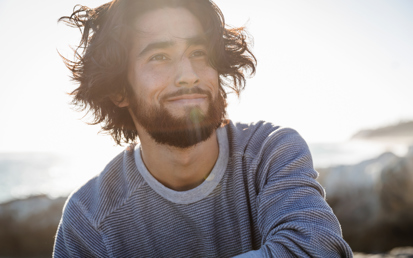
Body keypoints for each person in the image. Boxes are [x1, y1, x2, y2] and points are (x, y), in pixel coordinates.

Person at [54, 0, 353, 257]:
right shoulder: (89, 217)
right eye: (160, 57)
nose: (189, 75)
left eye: (199, 53)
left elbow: (315, 249)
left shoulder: (270, 152)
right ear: (119, 89)